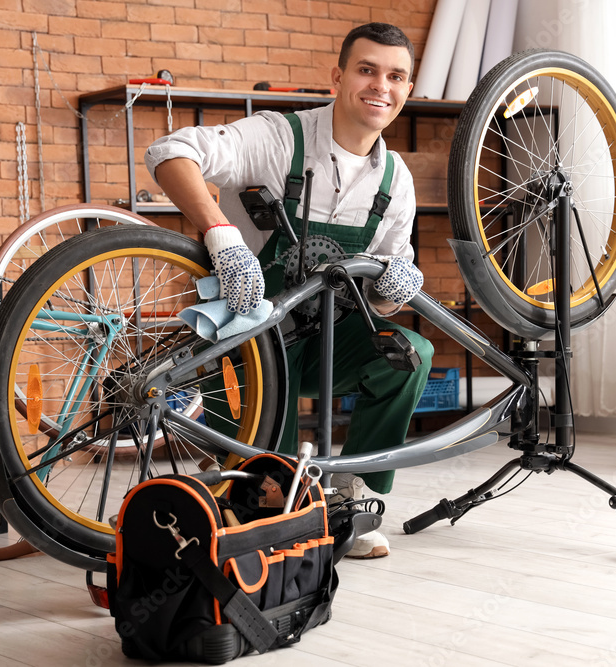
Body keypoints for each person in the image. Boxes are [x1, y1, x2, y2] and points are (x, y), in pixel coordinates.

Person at [145, 22, 433, 558]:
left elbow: (380, 299)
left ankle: (351, 496)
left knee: (410, 356)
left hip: (326, 341)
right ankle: (255, 505)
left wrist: (398, 286)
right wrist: (221, 234)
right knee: (269, 508)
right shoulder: (279, 137)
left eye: (395, 76)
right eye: (367, 70)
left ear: (407, 90)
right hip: (249, 342)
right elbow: (169, 151)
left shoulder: (396, 180)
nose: (380, 86)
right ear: (338, 76)